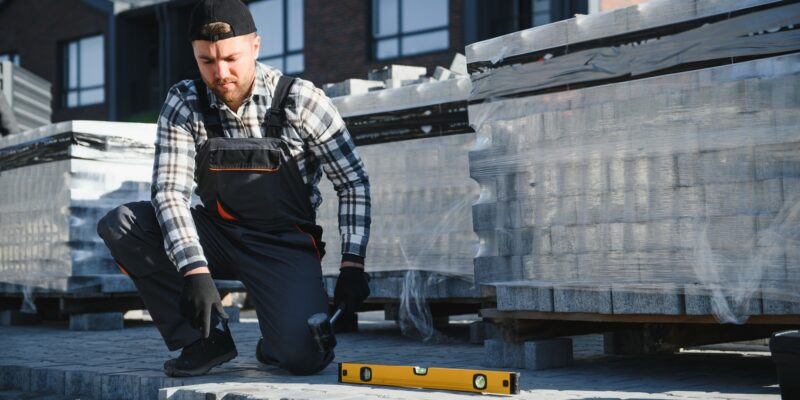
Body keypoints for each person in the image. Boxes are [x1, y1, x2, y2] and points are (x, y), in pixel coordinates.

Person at [97, 0, 371, 377]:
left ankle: (278, 338)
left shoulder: (302, 100)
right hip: (218, 234)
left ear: (255, 46)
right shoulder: (184, 102)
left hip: (283, 245)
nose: (220, 72)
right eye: (206, 61)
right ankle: (204, 341)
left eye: (230, 58)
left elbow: (352, 181)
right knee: (123, 224)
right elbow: (170, 192)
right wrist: (194, 270)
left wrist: (353, 263)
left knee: (302, 358)